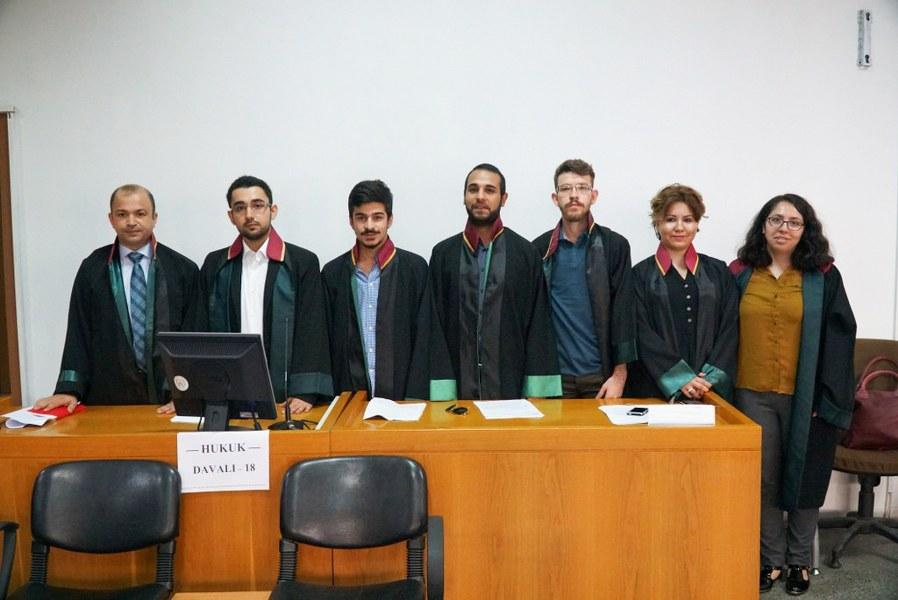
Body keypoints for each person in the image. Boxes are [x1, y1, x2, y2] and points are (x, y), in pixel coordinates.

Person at [730, 194, 856, 596]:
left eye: (793, 221)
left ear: (806, 230)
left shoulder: (823, 276)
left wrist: (827, 396)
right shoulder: (740, 273)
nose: (783, 228)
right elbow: (722, 330)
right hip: (751, 393)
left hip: (806, 397)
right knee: (764, 480)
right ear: (762, 226)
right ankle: (771, 561)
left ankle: (799, 560)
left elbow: (840, 339)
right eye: (775, 219)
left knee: (805, 476)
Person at [35, 184, 200, 411]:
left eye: (140, 213)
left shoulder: (182, 269)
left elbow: (194, 337)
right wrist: (68, 389)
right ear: (111, 219)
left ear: (154, 218)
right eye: (122, 214)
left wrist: (187, 395)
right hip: (108, 398)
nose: (131, 222)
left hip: (169, 399)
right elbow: (78, 332)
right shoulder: (92, 268)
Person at [194, 175, 333, 415]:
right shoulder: (216, 265)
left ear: (273, 210)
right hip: (228, 394)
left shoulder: (301, 262)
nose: (249, 214)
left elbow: (312, 330)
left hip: (285, 398)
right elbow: (200, 329)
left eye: (257, 205)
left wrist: (305, 392)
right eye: (240, 208)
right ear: (231, 216)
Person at [429, 163, 562, 400]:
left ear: (503, 198)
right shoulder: (443, 255)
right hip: (458, 394)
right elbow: (435, 330)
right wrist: (441, 392)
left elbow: (538, 326)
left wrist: (538, 394)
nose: (480, 196)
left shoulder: (525, 254)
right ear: (464, 196)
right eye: (473, 189)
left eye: (489, 190)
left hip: (511, 389)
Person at [322, 180, 455, 400]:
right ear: (351, 221)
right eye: (361, 218)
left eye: (377, 217)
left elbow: (425, 339)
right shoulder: (333, 273)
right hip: (350, 399)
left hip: (402, 398)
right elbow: (327, 343)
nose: (369, 226)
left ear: (390, 219)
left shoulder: (414, 269)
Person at [532, 159, 636, 399]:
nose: (574, 195)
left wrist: (619, 376)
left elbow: (623, 314)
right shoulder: (539, 249)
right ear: (555, 198)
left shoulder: (614, 246)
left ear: (594, 195)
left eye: (582, 188)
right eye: (566, 188)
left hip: (601, 377)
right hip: (554, 379)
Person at [627, 184, 738, 402]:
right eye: (670, 219)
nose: (679, 227)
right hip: (654, 388)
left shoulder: (718, 272)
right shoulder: (639, 275)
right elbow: (640, 332)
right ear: (657, 223)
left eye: (688, 220)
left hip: (709, 389)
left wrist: (708, 378)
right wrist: (680, 378)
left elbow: (730, 326)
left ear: (697, 224)